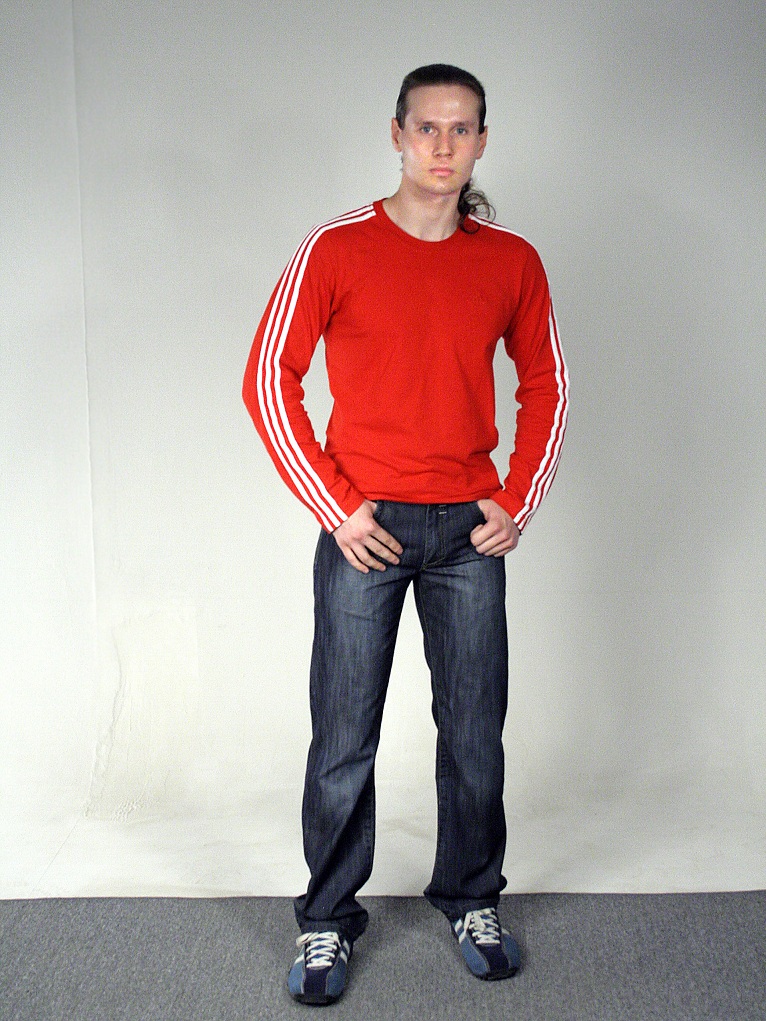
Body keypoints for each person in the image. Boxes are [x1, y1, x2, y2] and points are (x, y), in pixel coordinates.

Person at [243, 63, 568, 1005]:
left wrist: (518, 497)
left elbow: (547, 383)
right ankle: (325, 920)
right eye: (427, 127)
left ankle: (471, 896)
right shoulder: (337, 248)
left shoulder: (512, 261)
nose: (443, 146)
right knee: (345, 733)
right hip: (366, 528)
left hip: (469, 532)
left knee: (473, 733)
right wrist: (336, 505)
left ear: (482, 142)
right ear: (396, 134)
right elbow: (268, 377)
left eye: (462, 130)